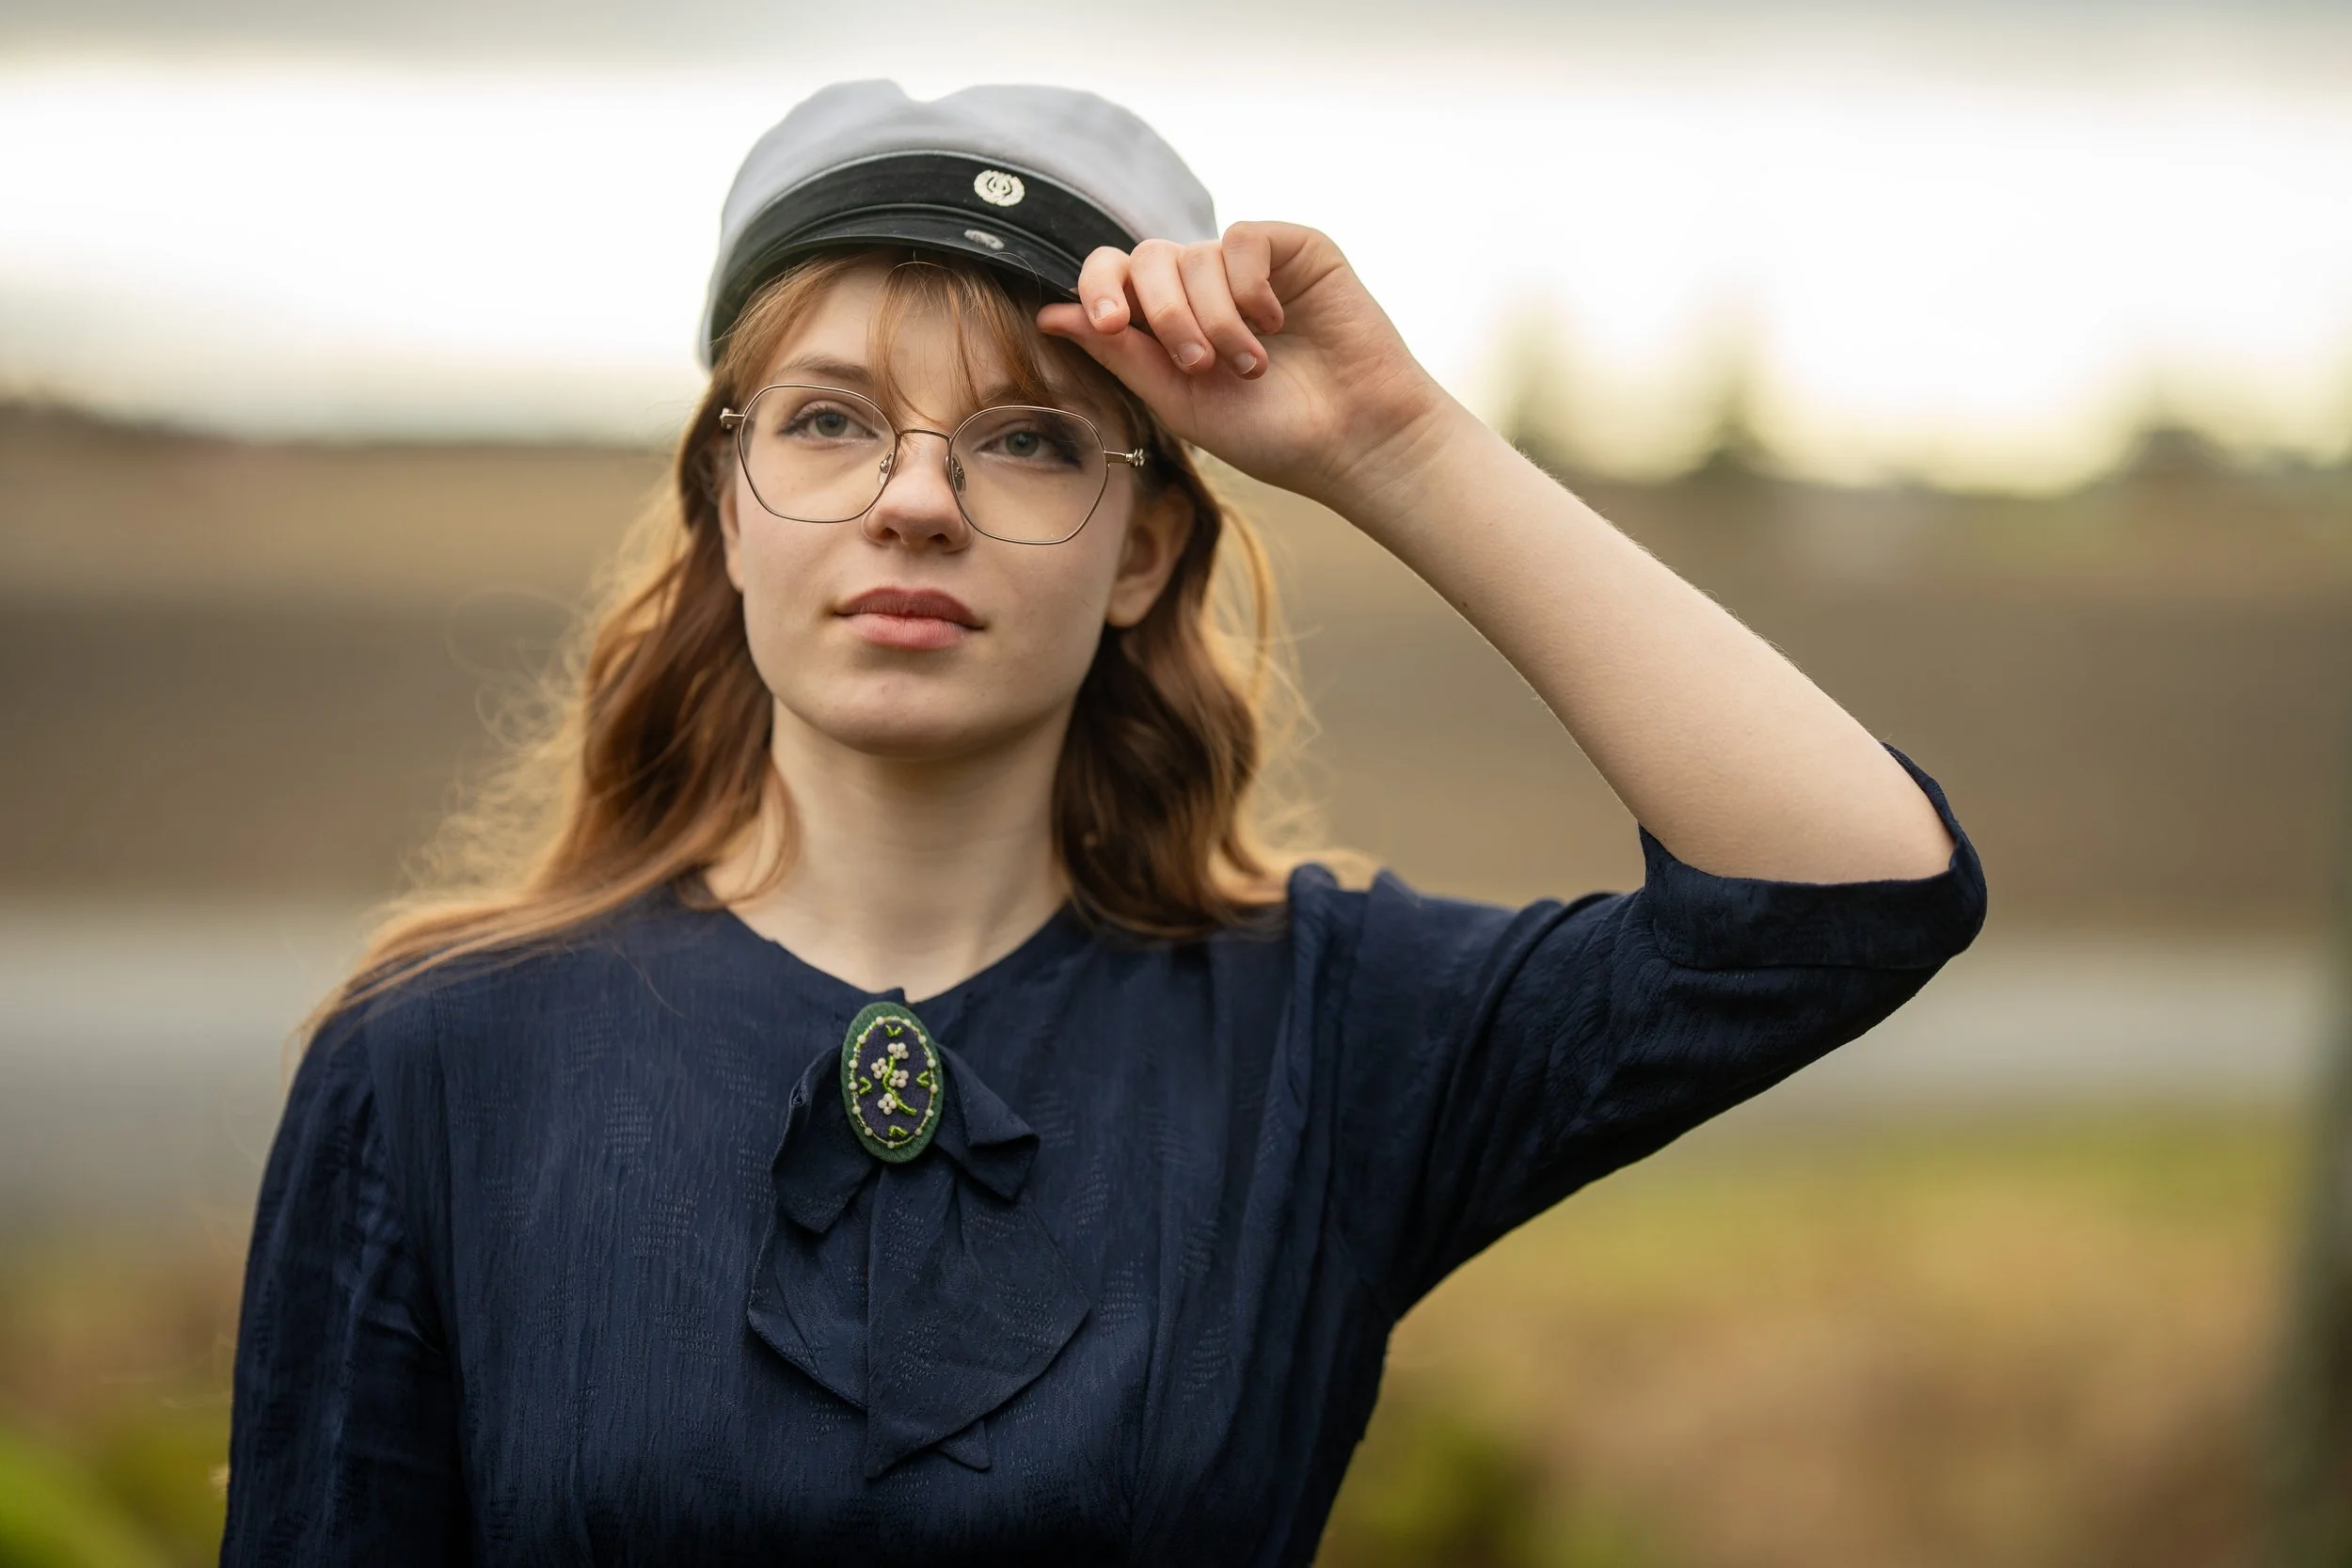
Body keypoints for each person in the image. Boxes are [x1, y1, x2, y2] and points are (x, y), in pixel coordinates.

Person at [221, 80, 1985, 1565]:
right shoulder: (439, 1061)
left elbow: (1850, 888)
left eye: (1029, 441)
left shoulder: (1331, 1028)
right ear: (726, 506)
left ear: (1146, 550)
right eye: (832, 422)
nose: (916, 498)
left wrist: (1391, 438)